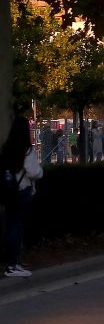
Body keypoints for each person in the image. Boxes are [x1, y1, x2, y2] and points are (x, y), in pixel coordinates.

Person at [1, 116, 43, 277]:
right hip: (23, 191)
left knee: (11, 226)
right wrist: (41, 172)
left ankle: (11, 262)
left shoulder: (7, 148)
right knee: (17, 228)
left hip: (9, 191)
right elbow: (34, 172)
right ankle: (14, 265)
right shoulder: (27, 150)